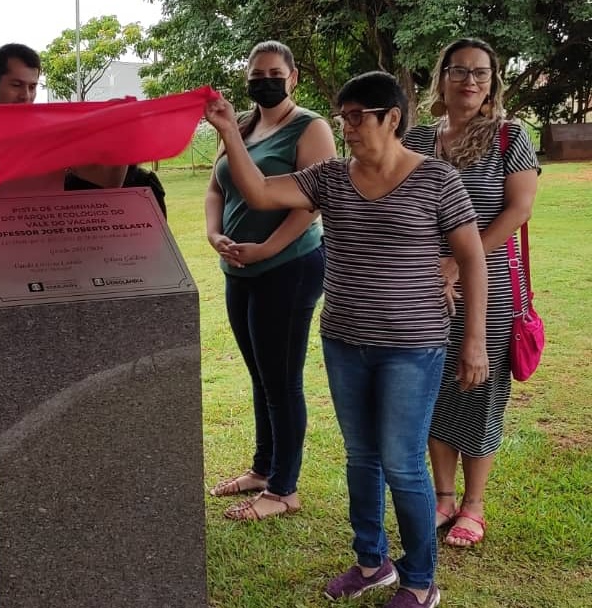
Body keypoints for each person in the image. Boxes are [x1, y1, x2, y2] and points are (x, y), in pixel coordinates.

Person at [205, 71, 489, 608]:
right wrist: (227, 131)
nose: (348, 128)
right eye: (343, 118)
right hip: (345, 341)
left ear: (393, 118)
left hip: (412, 344)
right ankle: (371, 561)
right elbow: (261, 192)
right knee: (361, 456)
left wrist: (473, 339)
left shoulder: (437, 180)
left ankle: (420, 581)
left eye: (358, 117)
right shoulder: (331, 178)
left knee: (401, 461)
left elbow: (473, 258)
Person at [0, 42, 125, 557]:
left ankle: (47, 498)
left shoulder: (50, 130)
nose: (28, 95)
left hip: (51, 295)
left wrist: (120, 132)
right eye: (17, 85)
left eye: (35, 87)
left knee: (56, 396)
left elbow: (109, 177)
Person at [403, 38, 540, 548]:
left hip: (491, 286)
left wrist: (462, 262)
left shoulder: (510, 137)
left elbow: (517, 210)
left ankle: (474, 504)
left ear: (493, 82)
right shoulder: (416, 139)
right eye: (459, 71)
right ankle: (442, 496)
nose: (470, 81)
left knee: (478, 386)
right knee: (433, 389)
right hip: (425, 287)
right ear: (441, 78)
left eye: (480, 73)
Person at [203, 40, 336, 521]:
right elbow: (217, 186)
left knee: (281, 380)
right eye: (256, 74)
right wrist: (215, 234)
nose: (264, 80)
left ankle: (284, 489)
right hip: (239, 269)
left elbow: (314, 201)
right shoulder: (240, 125)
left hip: (290, 267)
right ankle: (263, 468)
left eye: (274, 72)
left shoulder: (311, 127)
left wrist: (267, 248)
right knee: (260, 375)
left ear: (293, 77)